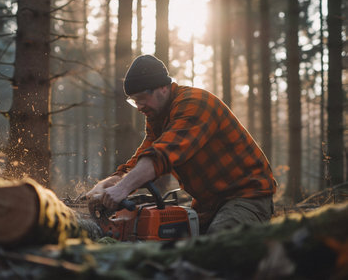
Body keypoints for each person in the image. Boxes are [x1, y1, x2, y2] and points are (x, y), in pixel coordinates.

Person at [86, 54, 277, 234]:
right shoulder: (157, 116)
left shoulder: (196, 104)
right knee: (173, 239)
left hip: (246, 196)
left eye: (142, 99)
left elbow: (163, 154)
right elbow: (143, 158)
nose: (140, 107)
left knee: (217, 242)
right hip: (207, 204)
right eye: (135, 102)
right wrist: (105, 186)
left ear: (163, 87)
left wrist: (121, 189)